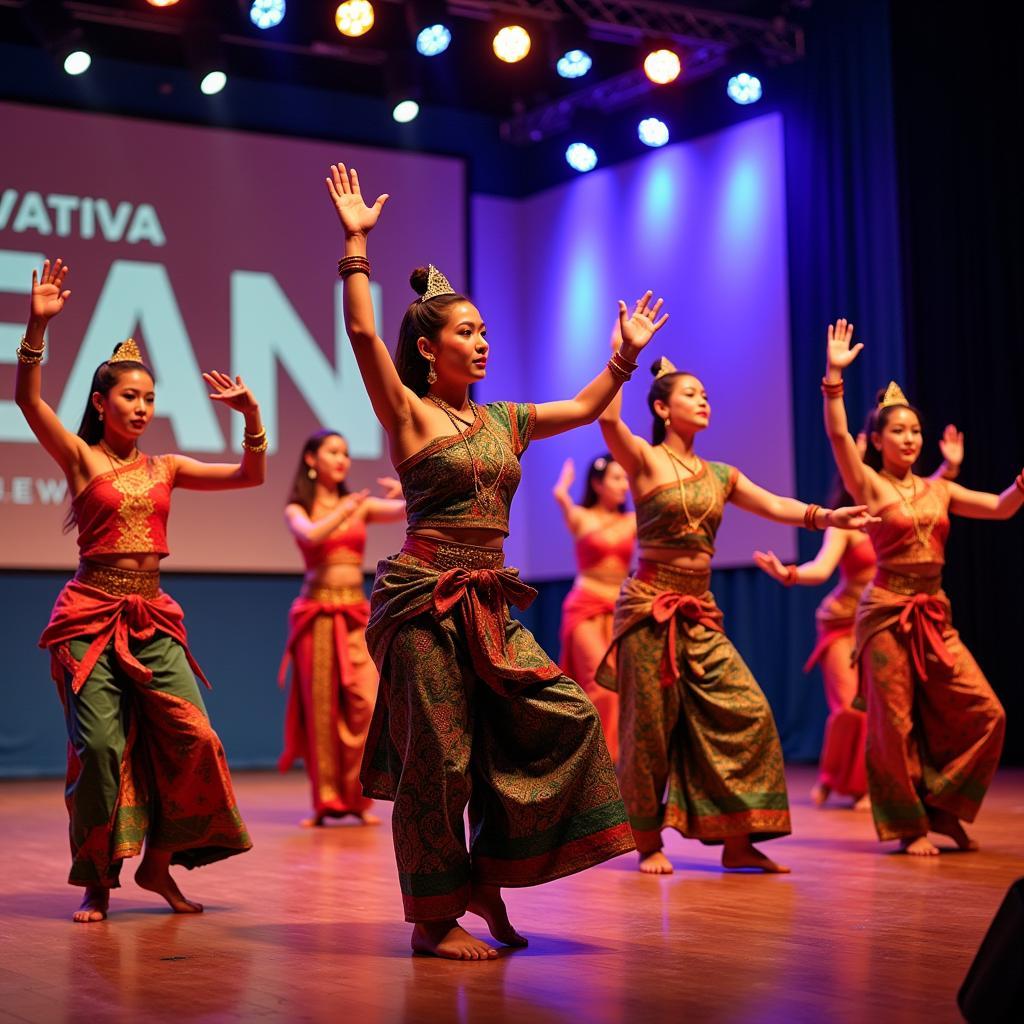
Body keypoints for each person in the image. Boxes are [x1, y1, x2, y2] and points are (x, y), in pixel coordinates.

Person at [325, 161, 668, 960]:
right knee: (440, 757)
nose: (482, 342)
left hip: (489, 600)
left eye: (483, 331)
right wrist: (354, 244)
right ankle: (431, 918)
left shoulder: (506, 418)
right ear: (428, 346)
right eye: (466, 333)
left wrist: (622, 360)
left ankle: (484, 880)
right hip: (422, 598)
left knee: (561, 720)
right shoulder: (408, 414)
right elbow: (362, 335)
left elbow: (583, 408)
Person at [15, 259, 262, 922]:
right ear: (101, 403)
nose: (142, 408)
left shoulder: (167, 465)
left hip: (152, 615)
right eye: (130, 397)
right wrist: (37, 327)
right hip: (88, 616)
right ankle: (98, 878)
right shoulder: (80, 457)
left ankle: (158, 864)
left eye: (150, 399)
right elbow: (28, 403)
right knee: (99, 748)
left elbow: (250, 477)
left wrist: (252, 416)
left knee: (196, 738)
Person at [596, 357, 877, 875]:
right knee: (648, 731)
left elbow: (775, 506)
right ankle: (647, 841)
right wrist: (623, 357)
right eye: (691, 394)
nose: (704, 400)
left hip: (698, 608)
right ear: (661, 407)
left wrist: (826, 516)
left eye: (706, 393)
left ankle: (739, 840)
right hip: (648, 606)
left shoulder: (722, 475)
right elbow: (609, 421)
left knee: (749, 713)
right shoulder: (643, 460)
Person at [822, 318, 1015, 855]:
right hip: (885, 612)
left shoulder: (941, 491)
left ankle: (943, 808)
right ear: (878, 440)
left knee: (986, 712)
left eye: (915, 431)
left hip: (933, 612)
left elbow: (1002, 508)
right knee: (895, 722)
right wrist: (834, 379)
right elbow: (838, 435)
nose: (909, 439)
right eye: (897, 432)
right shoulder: (871, 484)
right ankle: (908, 824)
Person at [754, 426, 963, 809]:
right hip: (840, 624)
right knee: (850, 706)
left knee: (881, 705)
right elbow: (820, 569)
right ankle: (834, 777)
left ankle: (866, 784)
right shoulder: (848, 528)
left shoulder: (901, 516)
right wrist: (791, 574)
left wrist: (948, 469)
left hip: (884, 618)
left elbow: (927, 494)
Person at [278, 429, 405, 827]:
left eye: (346, 453)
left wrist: (405, 484)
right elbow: (311, 534)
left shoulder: (359, 506)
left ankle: (357, 799)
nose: (342, 459)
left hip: (354, 611)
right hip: (315, 611)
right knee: (321, 709)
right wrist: (346, 509)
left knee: (365, 704)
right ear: (311, 460)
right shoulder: (298, 507)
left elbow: (407, 510)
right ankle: (326, 801)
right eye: (333, 452)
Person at [552, 455, 636, 762]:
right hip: (585, 605)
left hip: (619, 609)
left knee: (620, 685)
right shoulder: (581, 517)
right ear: (597, 484)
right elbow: (559, 496)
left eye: (626, 479)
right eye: (616, 478)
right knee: (600, 683)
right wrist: (565, 483)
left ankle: (611, 762)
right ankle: (597, 762)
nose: (624, 485)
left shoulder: (632, 521)